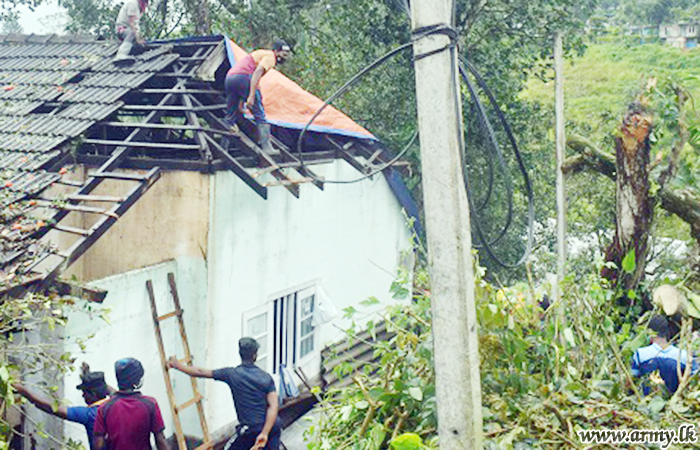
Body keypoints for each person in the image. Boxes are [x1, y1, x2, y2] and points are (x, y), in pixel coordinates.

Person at [168, 337, 281, 450]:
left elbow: (200, 372)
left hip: (250, 429)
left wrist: (177, 365)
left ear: (240, 354)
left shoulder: (231, 374)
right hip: (273, 426)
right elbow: (273, 405)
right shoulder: (266, 378)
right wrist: (265, 433)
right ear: (255, 356)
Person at [13, 366, 111, 450]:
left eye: (84, 393)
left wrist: (23, 391)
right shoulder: (114, 404)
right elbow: (111, 390)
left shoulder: (91, 414)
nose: (83, 396)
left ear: (94, 394)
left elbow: (52, 408)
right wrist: (91, 378)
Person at [225, 40, 292, 155]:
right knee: (259, 114)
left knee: (230, 118)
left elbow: (243, 78)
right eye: (283, 54)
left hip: (231, 78)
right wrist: (251, 96)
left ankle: (223, 148)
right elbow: (256, 73)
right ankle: (267, 148)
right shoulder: (271, 57)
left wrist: (241, 100)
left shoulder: (262, 53)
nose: (285, 57)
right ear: (276, 51)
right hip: (244, 78)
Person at [93, 358, 169, 450]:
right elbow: (160, 440)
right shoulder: (150, 404)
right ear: (137, 381)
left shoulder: (104, 408)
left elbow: (98, 445)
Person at [631, 315, 697, 395]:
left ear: (650, 332)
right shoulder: (683, 356)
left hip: (646, 404)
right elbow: (694, 382)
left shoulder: (640, 354)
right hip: (677, 404)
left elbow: (631, 383)